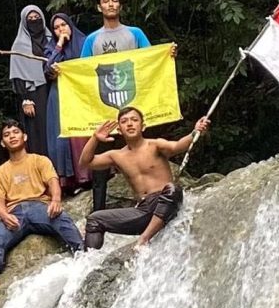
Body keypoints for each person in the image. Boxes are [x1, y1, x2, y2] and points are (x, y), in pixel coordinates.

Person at [0, 119, 84, 288]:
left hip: (39, 206)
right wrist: (4, 215)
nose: (12, 137)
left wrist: (56, 200)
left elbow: (53, 182)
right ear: (2, 143)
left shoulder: (40, 160)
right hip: (15, 212)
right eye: (7, 135)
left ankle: (83, 255)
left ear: (25, 136)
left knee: (62, 220)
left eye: (16, 132)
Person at [79, 106, 210, 250]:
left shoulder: (154, 145)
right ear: (119, 130)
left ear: (143, 126)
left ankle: (144, 239)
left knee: (173, 189)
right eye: (124, 121)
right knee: (94, 220)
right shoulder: (116, 156)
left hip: (166, 202)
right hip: (143, 211)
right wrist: (94, 139)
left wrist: (194, 132)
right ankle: (89, 263)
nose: (130, 124)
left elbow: (177, 146)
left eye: (134, 120)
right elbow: (86, 163)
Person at [81, 0, 152, 215]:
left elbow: (152, 59)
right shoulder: (92, 39)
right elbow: (81, 71)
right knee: (100, 165)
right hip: (105, 111)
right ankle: (98, 212)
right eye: (105, 1)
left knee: (141, 156)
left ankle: (150, 202)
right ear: (99, 7)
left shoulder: (135, 33)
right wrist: (61, 72)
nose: (110, 4)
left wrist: (168, 54)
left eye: (114, 0)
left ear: (120, 5)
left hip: (134, 108)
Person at [43, 9, 87, 190]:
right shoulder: (51, 47)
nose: (61, 29)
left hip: (81, 93)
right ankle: (68, 181)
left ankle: (87, 176)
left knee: (82, 134)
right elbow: (48, 70)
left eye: (63, 25)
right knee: (61, 136)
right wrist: (59, 44)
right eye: (56, 28)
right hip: (59, 94)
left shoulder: (84, 42)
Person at [9, 5, 49, 144]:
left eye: (37, 18)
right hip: (33, 96)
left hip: (53, 91)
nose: (34, 21)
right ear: (24, 23)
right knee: (37, 133)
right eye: (30, 19)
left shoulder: (51, 40)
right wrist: (25, 100)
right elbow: (17, 76)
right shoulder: (19, 46)